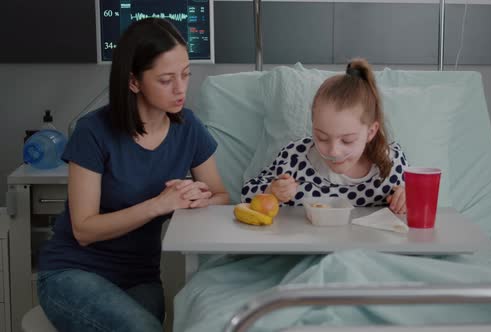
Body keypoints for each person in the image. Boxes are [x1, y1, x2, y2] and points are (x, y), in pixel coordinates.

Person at [37, 18, 229, 332]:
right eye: (166, 79)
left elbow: (221, 195)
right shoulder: (93, 131)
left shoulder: (188, 127)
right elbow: (84, 229)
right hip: (74, 272)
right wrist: (160, 204)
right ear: (133, 82)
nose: (181, 88)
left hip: (140, 277)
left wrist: (197, 198)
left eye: (185, 75)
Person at [241, 59, 408, 213]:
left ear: (371, 132)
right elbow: (246, 194)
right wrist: (272, 191)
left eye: (347, 140)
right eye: (322, 137)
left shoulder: (393, 165)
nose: (333, 151)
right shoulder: (295, 157)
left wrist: (407, 200)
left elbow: (415, 212)